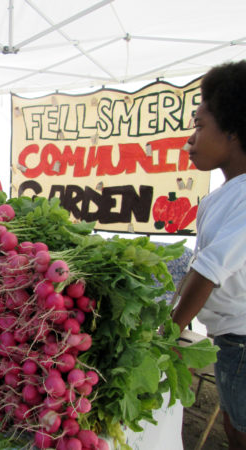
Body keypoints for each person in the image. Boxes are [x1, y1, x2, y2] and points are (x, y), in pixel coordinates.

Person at [171, 61, 246, 450]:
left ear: (233, 132)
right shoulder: (222, 196)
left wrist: (169, 332)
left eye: (200, 127)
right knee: (235, 424)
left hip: (243, 340)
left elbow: (208, 270)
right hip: (229, 339)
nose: (191, 140)